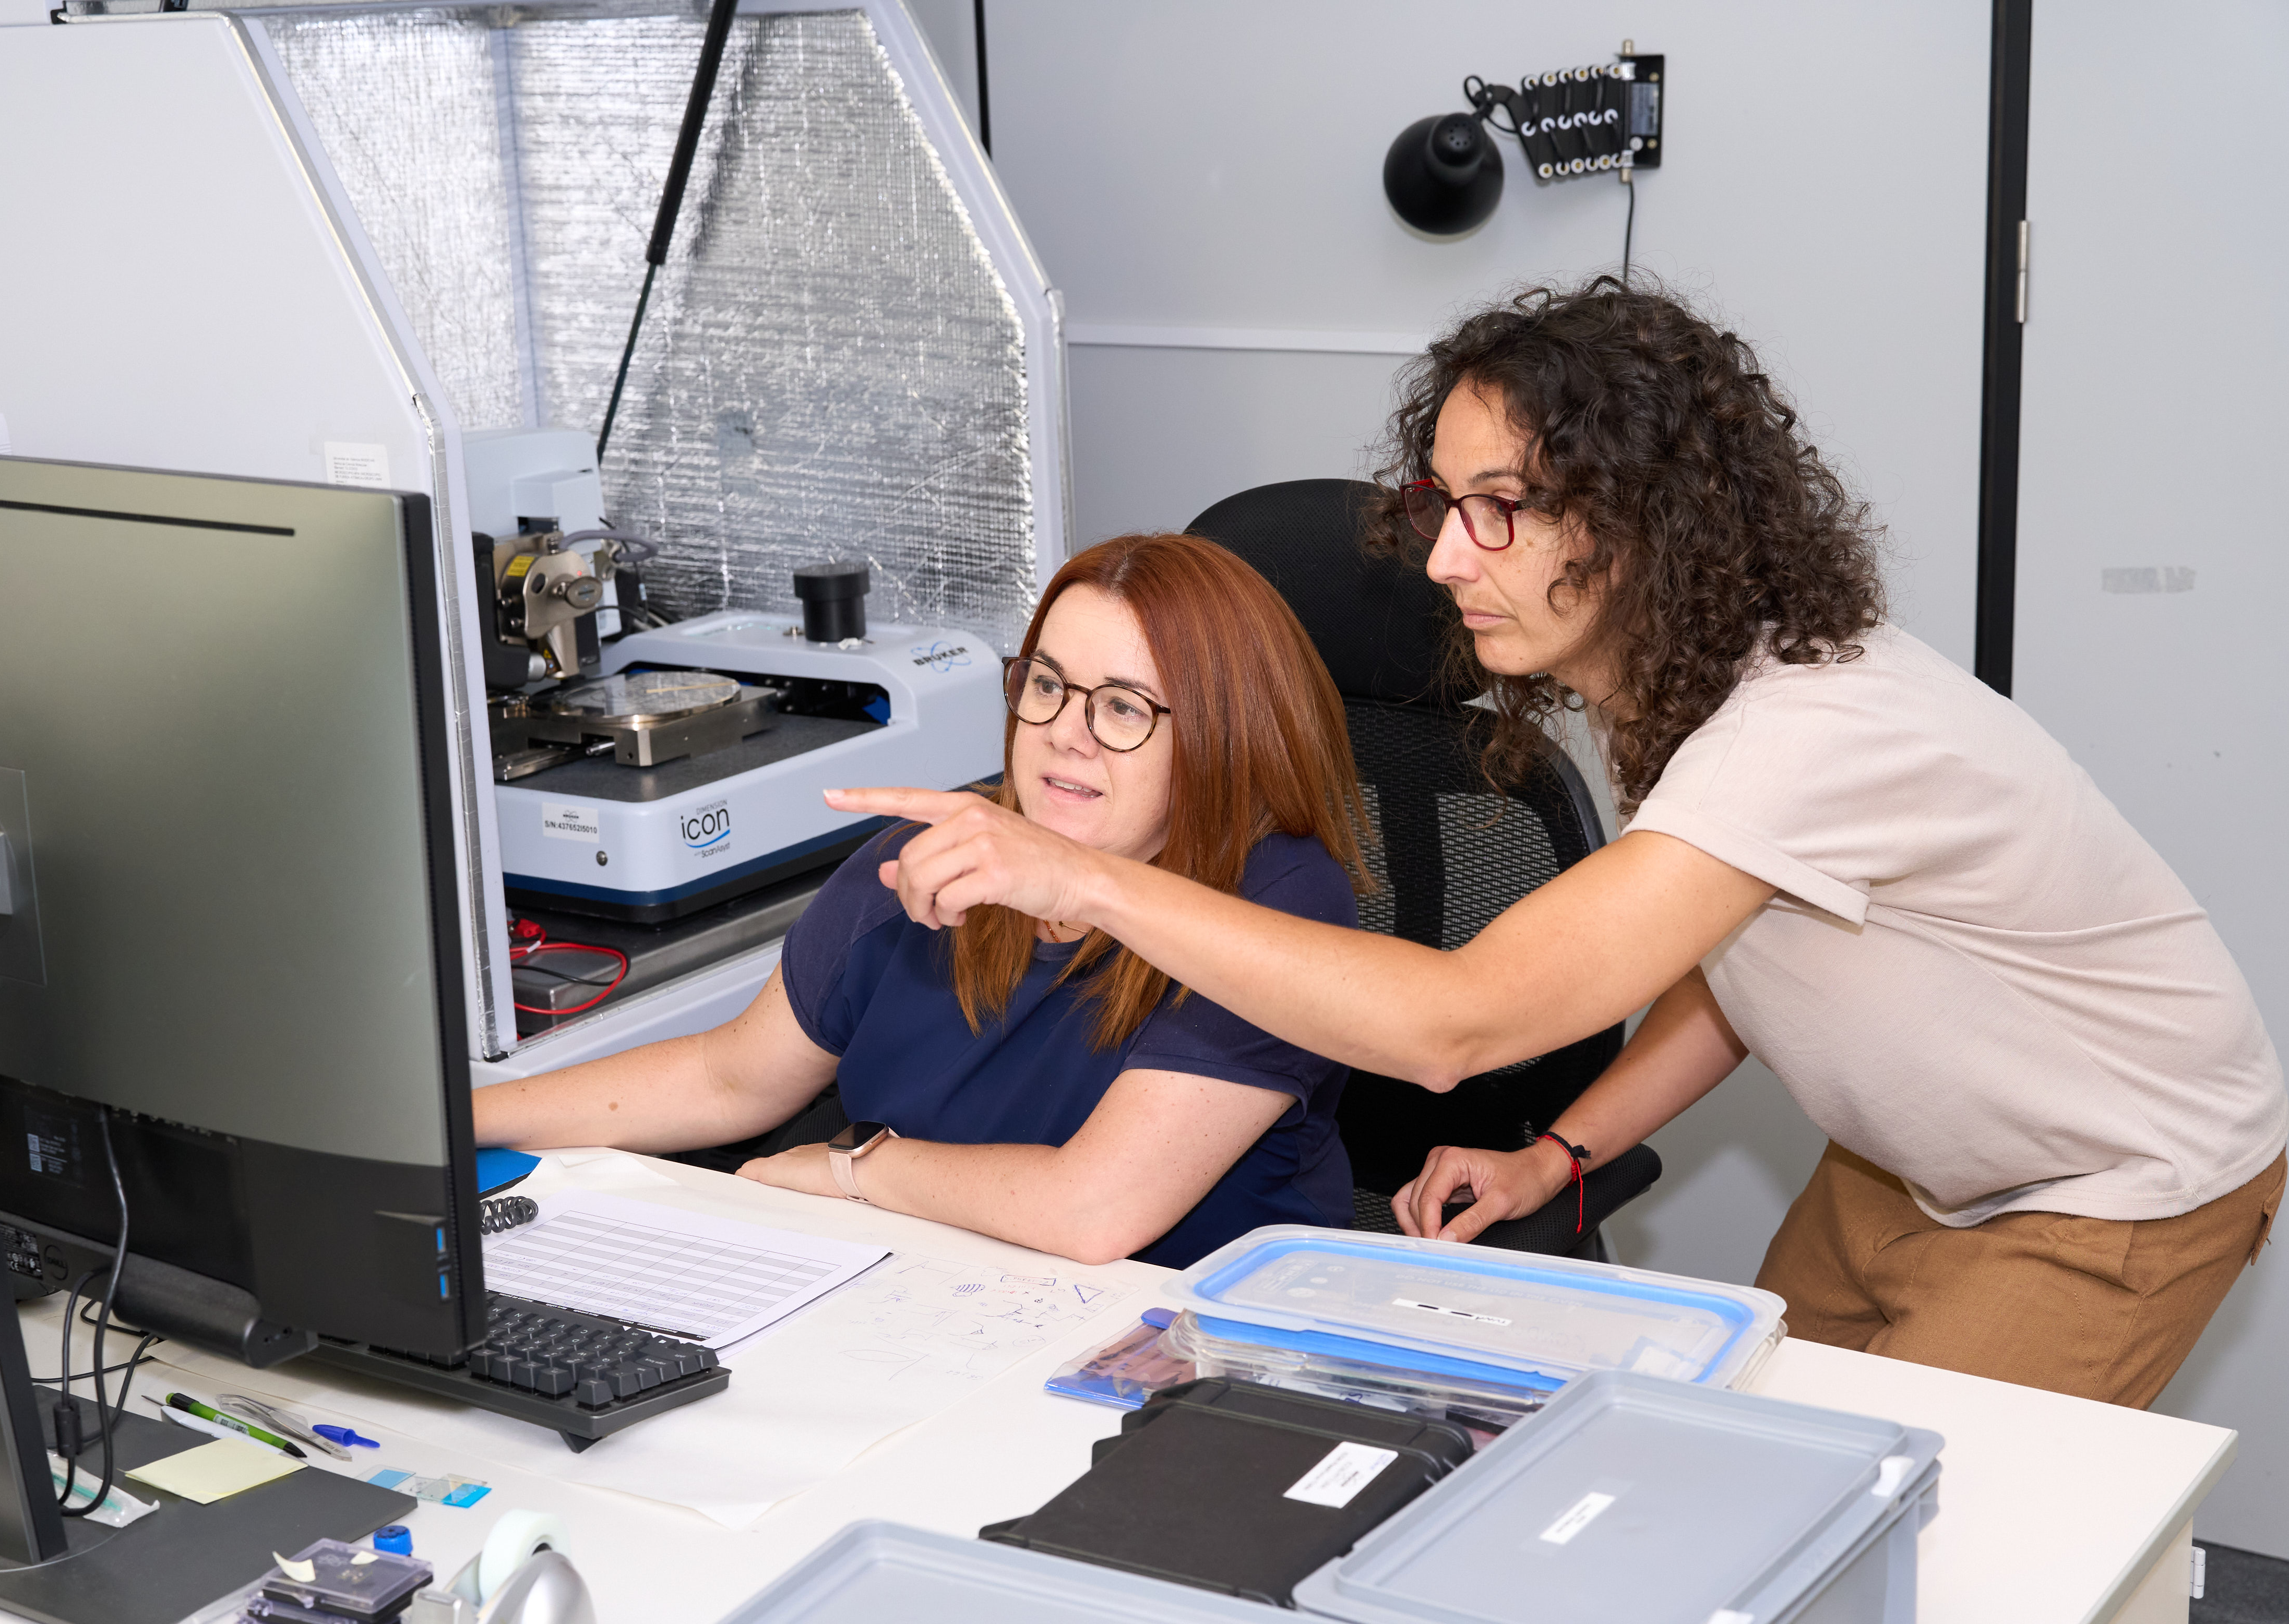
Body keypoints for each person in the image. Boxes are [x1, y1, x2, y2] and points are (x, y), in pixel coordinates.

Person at [833, 280, 2286, 1407]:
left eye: (1499, 511)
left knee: (1916, 1542)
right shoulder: (1688, 692)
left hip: (2107, 1190)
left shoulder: (1808, 732)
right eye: (1441, 505)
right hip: (1901, 1170)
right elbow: (1737, 965)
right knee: (1749, 1474)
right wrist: (1558, 1159)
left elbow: (1455, 1024)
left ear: (1643, 522)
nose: (1448, 556)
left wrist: (1075, 876)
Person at [475, 532, 1366, 1269]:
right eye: (1048, 686)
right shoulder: (922, 859)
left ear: (1222, 739)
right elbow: (729, 1076)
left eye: (1124, 708)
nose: (1063, 735)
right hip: (928, 1297)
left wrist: (860, 1170)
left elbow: (1093, 1211)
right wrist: (452, 1125)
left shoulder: (1278, 904)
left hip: (1184, 1352)